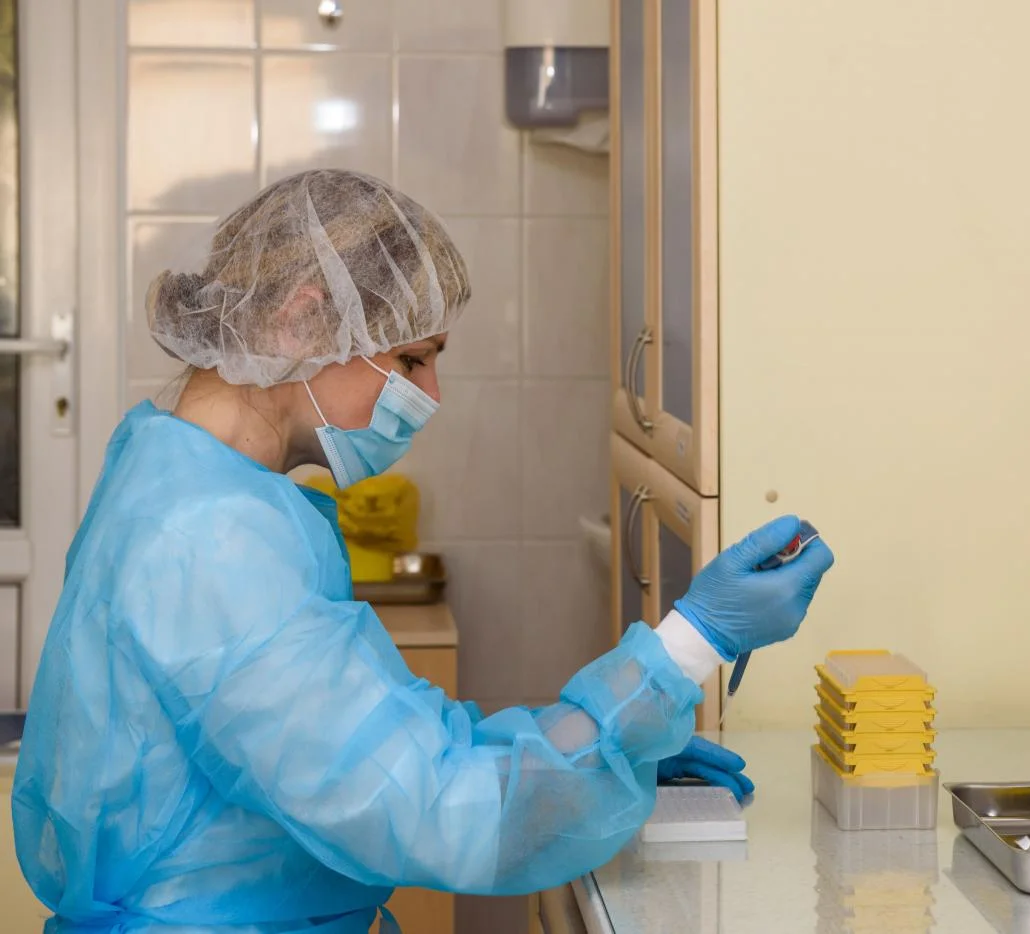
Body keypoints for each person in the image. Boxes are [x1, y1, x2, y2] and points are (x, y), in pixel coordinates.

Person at [11, 170, 835, 933]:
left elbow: (382, 741)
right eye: (412, 359)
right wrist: (689, 645)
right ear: (300, 321)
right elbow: (435, 809)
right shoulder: (213, 539)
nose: (429, 395)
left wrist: (603, 743)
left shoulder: (177, 471)